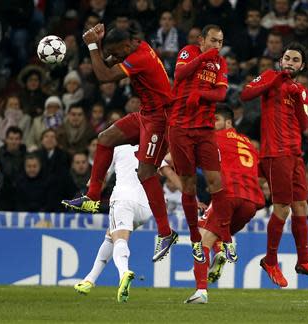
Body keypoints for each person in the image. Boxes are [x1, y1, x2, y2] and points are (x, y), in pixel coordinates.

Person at [62, 25, 177, 262]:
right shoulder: (134, 47)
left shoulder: (141, 57)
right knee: (105, 139)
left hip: (161, 119)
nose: (116, 56)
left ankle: (166, 233)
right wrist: (101, 45)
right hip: (146, 114)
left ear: (126, 46)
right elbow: (106, 61)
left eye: (118, 52)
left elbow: (104, 76)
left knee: (146, 171)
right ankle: (92, 198)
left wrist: (93, 45)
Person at [240, 43, 308, 288]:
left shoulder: (300, 89)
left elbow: (303, 124)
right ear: (281, 61)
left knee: (301, 205)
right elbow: (246, 94)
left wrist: (298, 96)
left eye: (295, 60)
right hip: (275, 153)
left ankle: (303, 260)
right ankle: (270, 260)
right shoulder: (270, 76)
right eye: (287, 58)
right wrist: (278, 78)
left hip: (295, 154)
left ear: (301, 66)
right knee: (282, 208)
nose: (290, 62)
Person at [168, 24, 233, 266]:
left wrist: (202, 95)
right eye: (214, 40)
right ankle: (195, 237)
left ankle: (225, 237)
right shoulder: (188, 52)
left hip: (205, 129)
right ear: (202, 40)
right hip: (181, 127)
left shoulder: (221, 64)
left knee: (217, 182)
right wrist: (204, 57)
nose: (218, 45)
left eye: (221, 41)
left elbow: (221, 95)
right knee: (188, 184)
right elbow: (180, 75)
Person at [185, 105, 264, 304]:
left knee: (201, 240)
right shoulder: (249, 145)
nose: (211, 124)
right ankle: (220, 251)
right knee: (217, 232)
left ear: (229, 123)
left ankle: (201, 291)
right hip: (251, 202)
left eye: (216, 120)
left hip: (228, 196)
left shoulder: (214, 139)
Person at [74, 145, 151, 302]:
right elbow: (167, 167)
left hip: (123, 201)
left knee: (119, 239)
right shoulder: (151, 146)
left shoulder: (117, 148)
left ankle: (124, 273)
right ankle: (89, 280)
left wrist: (90, 190)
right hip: (146, 207)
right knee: (111, 236)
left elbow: (100, 178)